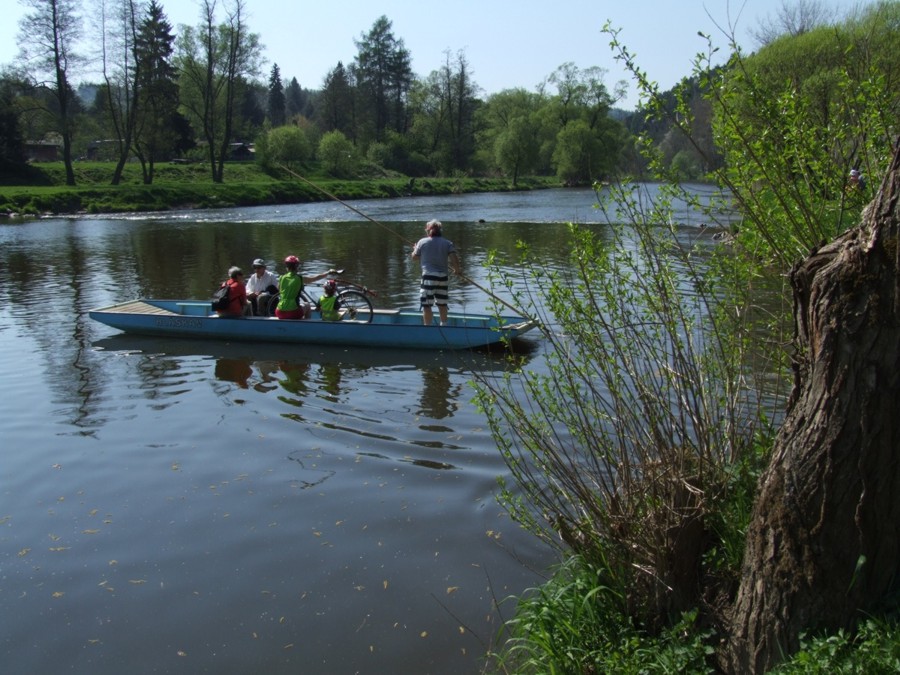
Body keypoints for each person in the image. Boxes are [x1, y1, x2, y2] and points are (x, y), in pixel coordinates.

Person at [411, 219, 461, 326]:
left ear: (428, 231)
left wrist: (415, 249)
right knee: (442, 304)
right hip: (443, 277)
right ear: (440, 230)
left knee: (426, 305)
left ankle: (427, 328)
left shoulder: (422, 242)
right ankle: (444, 325)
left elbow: (414, 257)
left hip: (429, 277)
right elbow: (454, 257)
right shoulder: (447, 243)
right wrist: (457, 270)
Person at [275, 255, 332, 320]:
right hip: (293, 312)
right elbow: (314, 278)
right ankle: (306, 326)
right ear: (297, 266)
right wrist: (327, 273)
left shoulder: (281, 278)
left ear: (287, 267)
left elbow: (279, 289)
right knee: (307, 305)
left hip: (279, 311)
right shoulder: (299, 278)